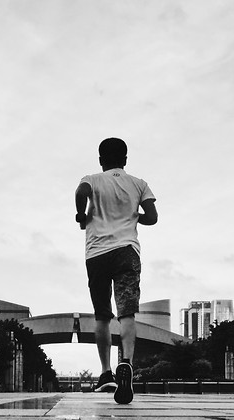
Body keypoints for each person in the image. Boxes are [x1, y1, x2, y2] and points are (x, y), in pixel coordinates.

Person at [75, 137, 158, 404]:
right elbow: (153, 217)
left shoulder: (93, 179)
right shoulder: (138, 183)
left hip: (97, 253)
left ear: (101, 160)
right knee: (127, 312)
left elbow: (81, 192)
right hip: (127, 251)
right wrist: (135, 216)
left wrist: (80, 214)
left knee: (101, 315)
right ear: (125, 158)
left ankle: (106, 373)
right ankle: (127, 363)